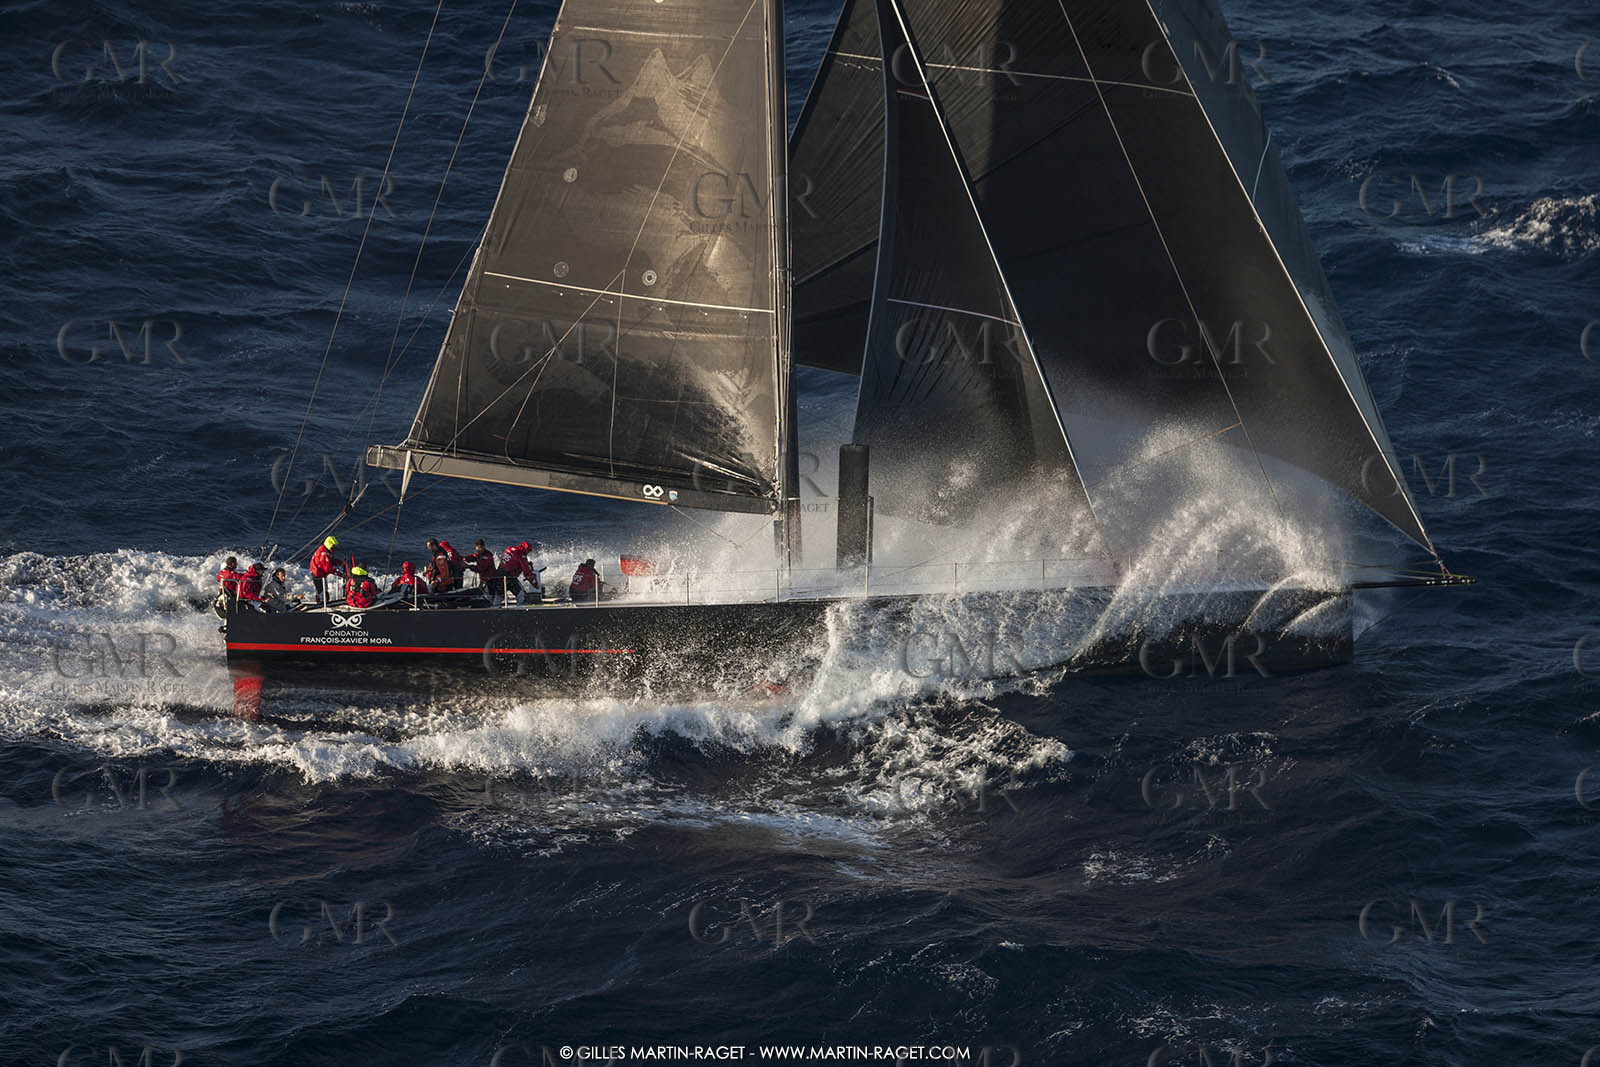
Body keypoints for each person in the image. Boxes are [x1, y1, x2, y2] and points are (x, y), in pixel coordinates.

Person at [309, 536, 342, 604]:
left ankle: (321, 602)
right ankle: (321, 605)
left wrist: (340, 563)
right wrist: (341, 574)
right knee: (323, 594)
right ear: (330, 545)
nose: (335, 548)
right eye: (334, 546)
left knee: (323, 592)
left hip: (320, 574)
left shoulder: (326, 550)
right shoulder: (323, 554)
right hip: (317, 575)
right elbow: (328, 569)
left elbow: (331, 560)